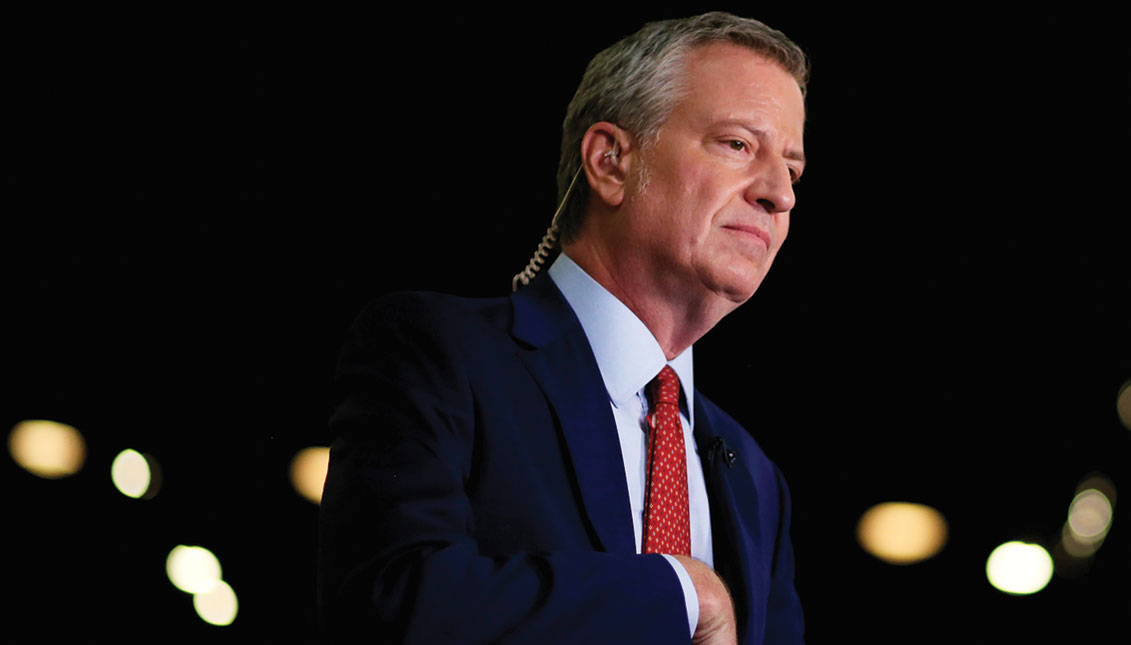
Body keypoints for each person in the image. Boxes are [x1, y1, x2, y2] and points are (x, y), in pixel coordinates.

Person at [319, 11, 808, 644]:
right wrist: (683, 592)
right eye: (739, 144)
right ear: (610, 162)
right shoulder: (439, 353)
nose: (779, 193)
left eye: (792, 170)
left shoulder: (757, 479)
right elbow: (391, 600)